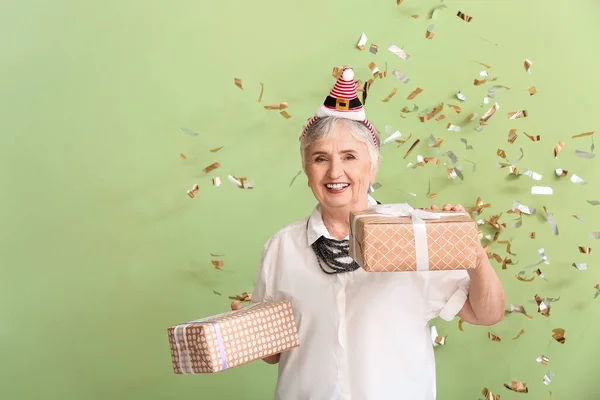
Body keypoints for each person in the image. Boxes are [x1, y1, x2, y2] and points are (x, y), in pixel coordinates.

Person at [231, 66, 506, 400]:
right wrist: (250, 330)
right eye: (321, 158)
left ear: (372, 165)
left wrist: (474, 253)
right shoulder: (281, 248)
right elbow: (274, 355)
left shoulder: (416, 237)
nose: (335, 172)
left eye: (349, 156)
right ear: (307, 169)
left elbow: (486, 314)